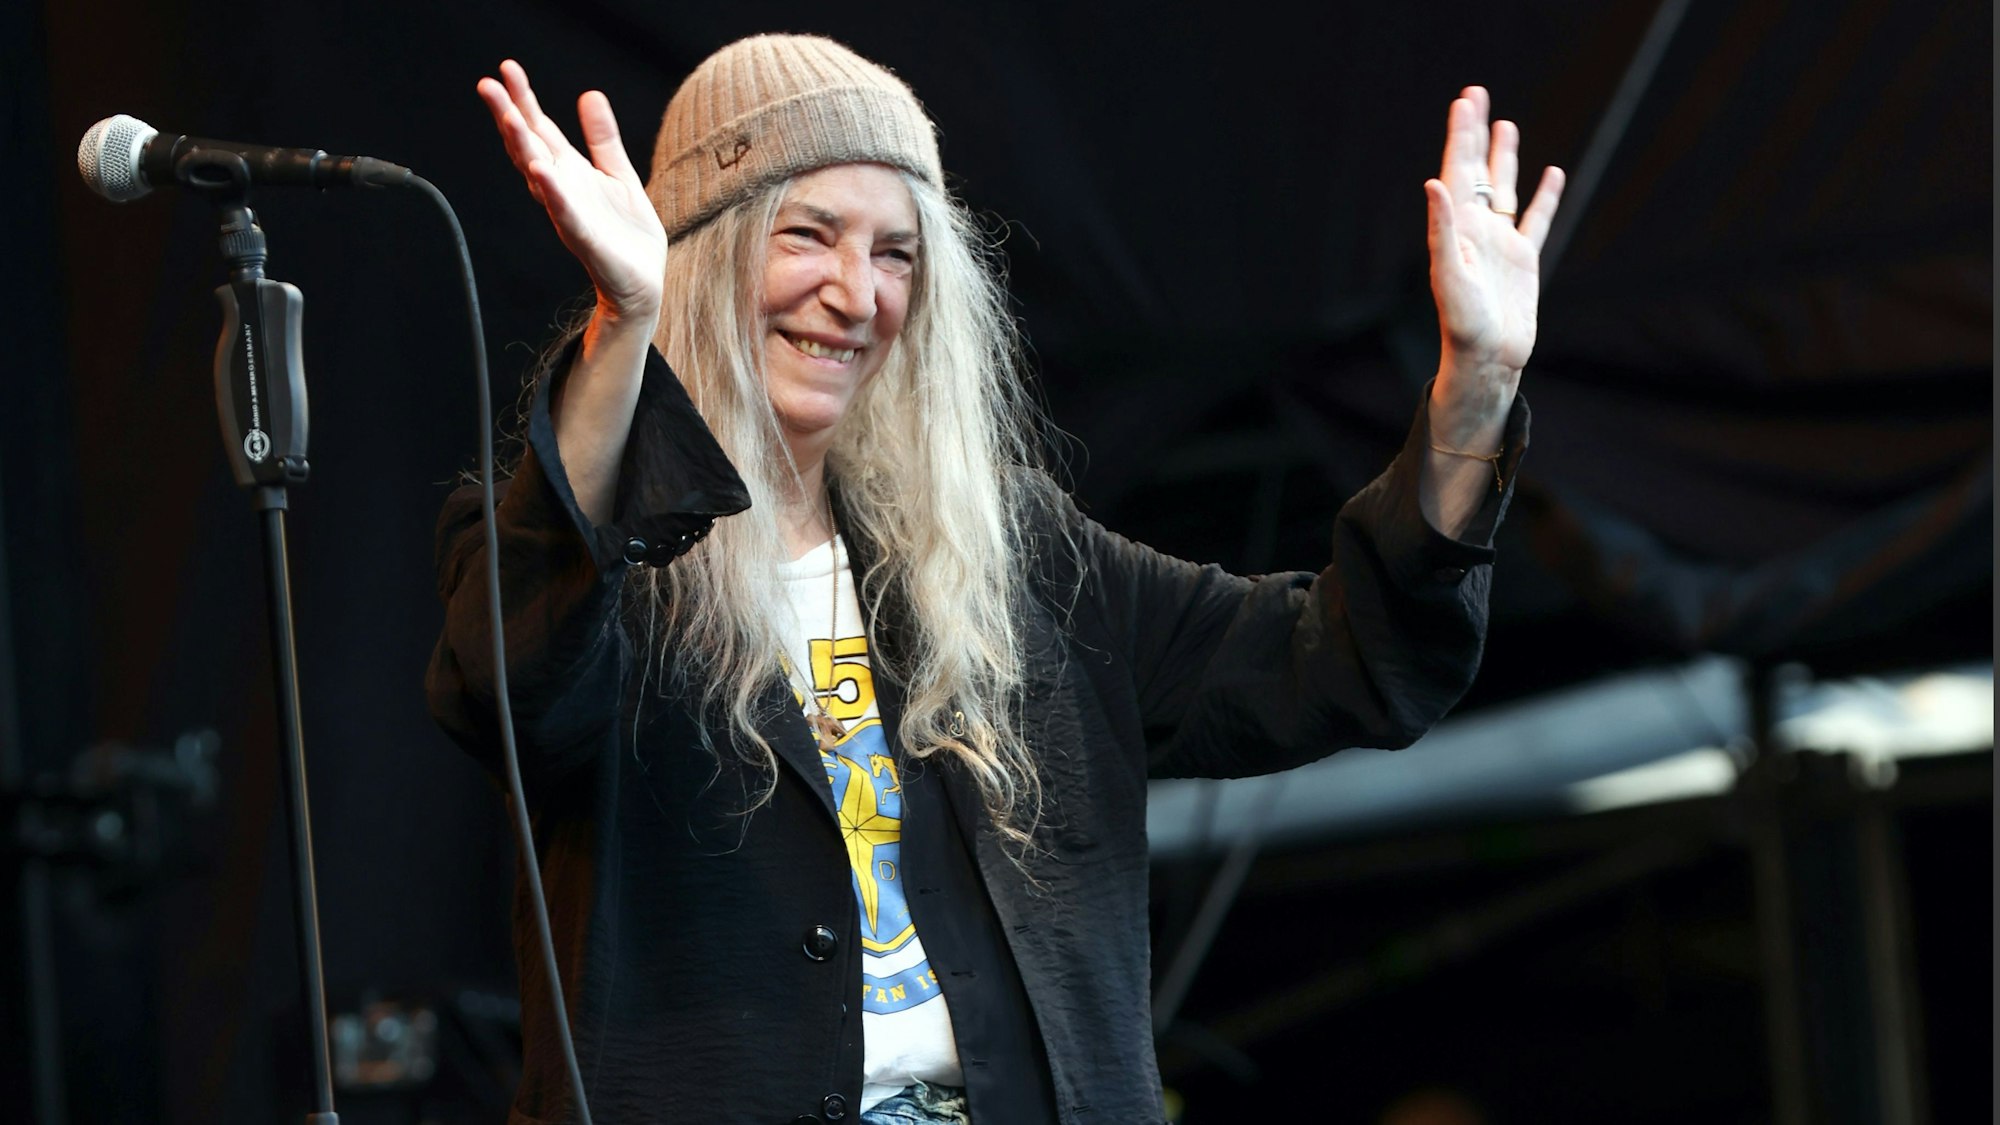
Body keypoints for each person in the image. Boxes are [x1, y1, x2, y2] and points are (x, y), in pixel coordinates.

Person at [428, 33, 1562, 1125]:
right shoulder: (574, 546)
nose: (854, 291)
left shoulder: (1012, 557)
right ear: (703, 250)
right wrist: (627, 325)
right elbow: (515, 685)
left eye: (894, 252)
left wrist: (1473, 389)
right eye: (807, 234)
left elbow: (1343, 660)